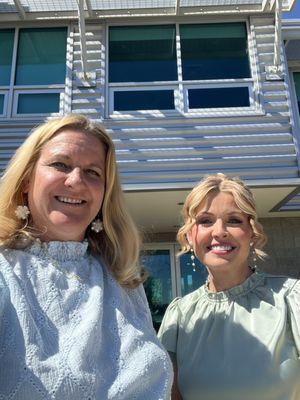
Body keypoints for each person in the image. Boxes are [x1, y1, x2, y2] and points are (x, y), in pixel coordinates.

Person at [0, 114, 172, 399]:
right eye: (60, 165)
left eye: (93, 172)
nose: (76, 180)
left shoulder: (123, 280)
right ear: (27, 179)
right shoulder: (6, 270)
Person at [158, 173, 300, 400]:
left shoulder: (291, 299)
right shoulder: (179, 316)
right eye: (205, 221)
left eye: (234, 220)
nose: (219, 231)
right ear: (190, 236)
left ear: (252, 233)